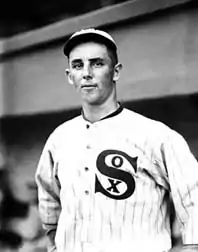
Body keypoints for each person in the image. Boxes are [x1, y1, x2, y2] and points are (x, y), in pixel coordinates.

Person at [35, 28, 198, 252]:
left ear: (116, 71)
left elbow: (194, 197)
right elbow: (49, 203)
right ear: (69, 76)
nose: (87, 73)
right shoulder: (59, 139)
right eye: (78, 65)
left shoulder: (155, 135)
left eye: (97, 63)